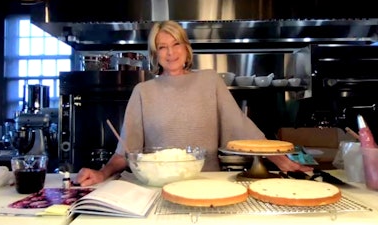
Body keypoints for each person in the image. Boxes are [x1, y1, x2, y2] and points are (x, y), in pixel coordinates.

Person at [75, 20, 312, 186]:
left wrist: (283, 162)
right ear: (155, 54)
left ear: (186, 49)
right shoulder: (143, 92)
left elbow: (242, 129)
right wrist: (102, 173)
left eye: (176, 44)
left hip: (207, 184)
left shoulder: (210, 81)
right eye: (162, 47)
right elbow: (125, 152)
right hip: (159, 188)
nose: (170, 52)